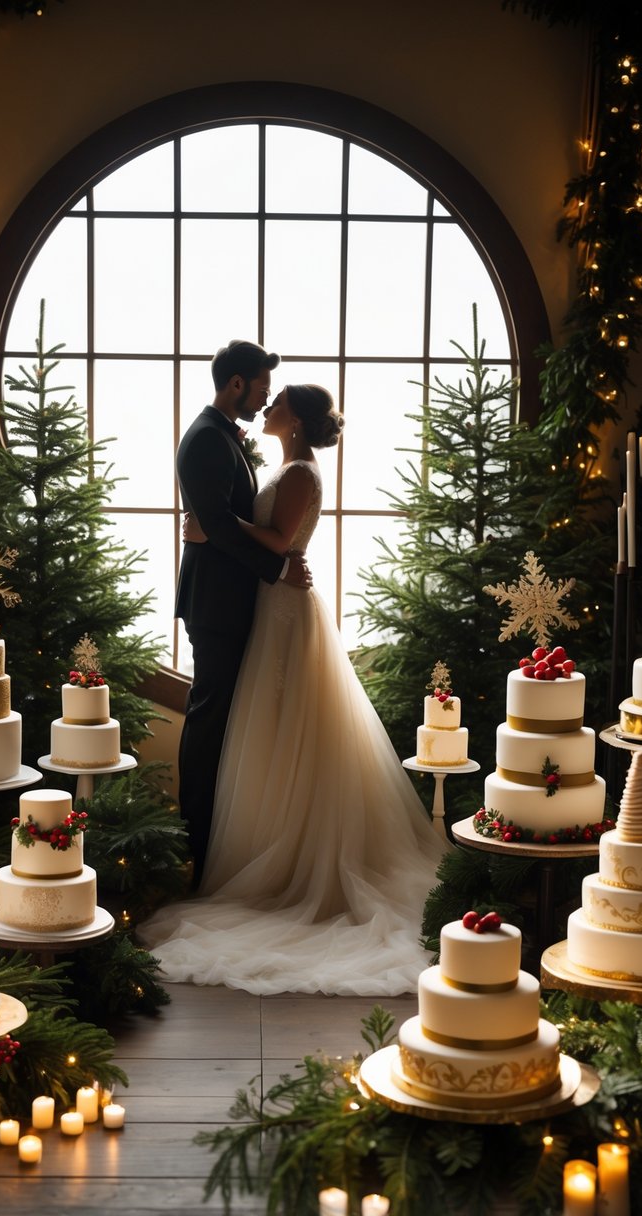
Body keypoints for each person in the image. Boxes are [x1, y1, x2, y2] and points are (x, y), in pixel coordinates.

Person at [141, 383, 448, 996]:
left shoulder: (301, 472)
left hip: (285, 610)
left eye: (278, 401)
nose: (268, 406)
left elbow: (281, 543)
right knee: (273, 728)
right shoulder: (287, 465)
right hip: (271, 604)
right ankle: (269, 843)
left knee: (289, 723)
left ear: (298, 420)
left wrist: (213, 528)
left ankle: (294, 857)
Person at [174, 340, 311, 888]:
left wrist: (213, 527)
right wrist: (278, 570)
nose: (263, 399)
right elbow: (218, 525)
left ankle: (222, 847)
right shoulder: (207, 438)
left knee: (226, 722)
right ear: (236, 384)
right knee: (209, 720)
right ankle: (196, 850)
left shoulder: (224, 435)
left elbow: (219, 522)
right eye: (259, 389)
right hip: (214, 603)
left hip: (231, 600)